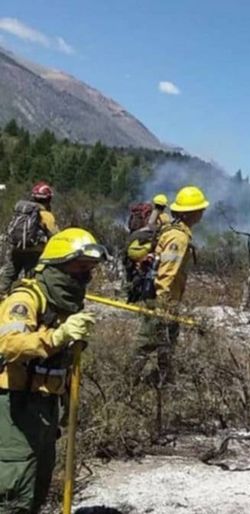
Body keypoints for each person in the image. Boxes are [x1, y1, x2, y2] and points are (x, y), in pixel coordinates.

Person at [0, 228, 105, 513]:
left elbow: (62, 363)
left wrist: (67, 401)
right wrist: (57, 337)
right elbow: (8, 344)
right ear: (59, 265)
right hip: (14, 406)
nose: (86, 276)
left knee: (38, 488)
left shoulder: (66, 307)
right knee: (13, 492)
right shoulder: (25, 300)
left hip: (46, 408)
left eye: (90, 269)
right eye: (80, 267)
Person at [132, 186, 208, 385]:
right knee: (147, 343)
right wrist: (164, 305)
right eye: (199, 209)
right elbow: (167, 272)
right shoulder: (179, 237)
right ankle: (127, 384)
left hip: (164, 298)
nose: (202, 212)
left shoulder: (173, 229)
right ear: (189, 213)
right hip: (163, 300)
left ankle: (163, 383)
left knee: (166, 345)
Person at [0, 182, 59, 295]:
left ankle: (1, 295)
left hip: (16, 249)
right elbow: (55, 235)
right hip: (34, 252)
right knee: (31, 280)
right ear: (48, 199)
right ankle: (27, 299)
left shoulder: (22, 211)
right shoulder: (46, 215)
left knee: (8, 276)